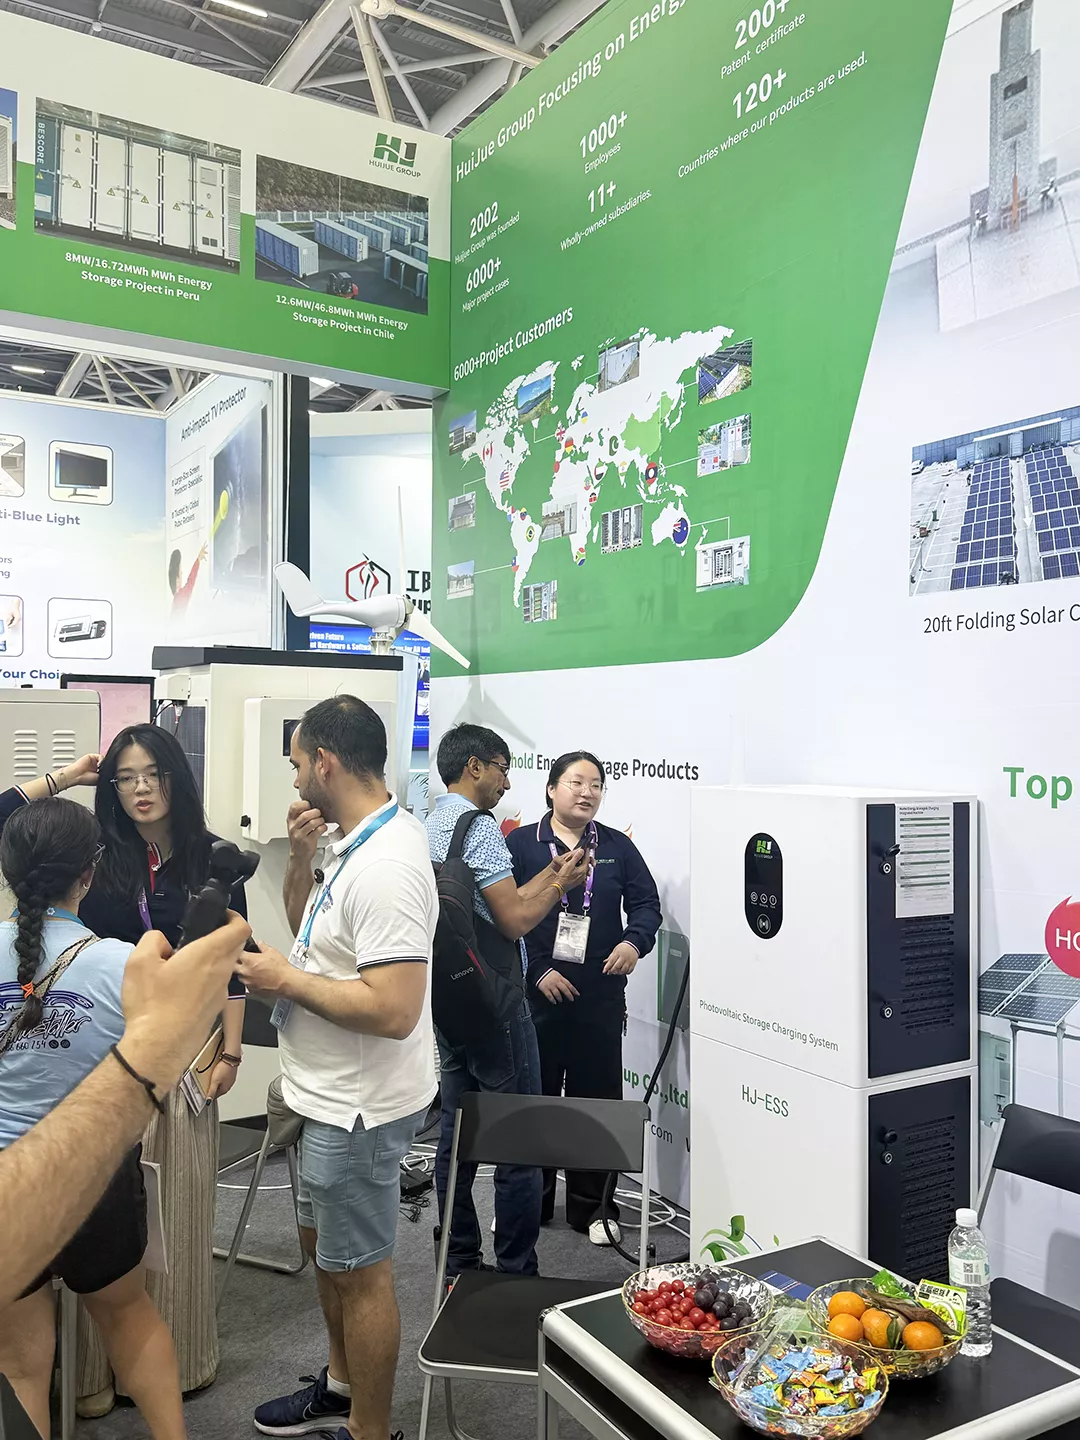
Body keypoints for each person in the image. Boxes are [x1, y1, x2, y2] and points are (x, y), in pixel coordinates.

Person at [0, 729, 249, 1406]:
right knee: (96, 1235)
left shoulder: (212, 856)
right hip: (102, 1064)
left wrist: (230, 1051)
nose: (141, 789)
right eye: (125, 777)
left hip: (186, 1060)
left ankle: (182, 1362)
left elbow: (230, 968)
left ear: (176, 779)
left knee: (173, 1224)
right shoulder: (92, 854)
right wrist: (61, 778)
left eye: (154, 774)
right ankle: (88, 1382)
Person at [239, 696, 437, 1440]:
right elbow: (310, 939)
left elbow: (393, 1008)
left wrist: (285, 982)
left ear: (324, 761)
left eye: (297, 764)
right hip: (322, 1092)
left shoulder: (387, 865)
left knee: (361, 1275)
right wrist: (298, 860)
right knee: (326, 1256)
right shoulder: (348, 841)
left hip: (358, 1107)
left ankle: (369, 1430)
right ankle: (341, 1389)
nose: (294, 780)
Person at [0, 798, 186, 1439]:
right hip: (97, 1178)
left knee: (19, 1364)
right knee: (128, 1317)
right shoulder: (125, 962)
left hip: (9, 1181)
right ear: (90, 871)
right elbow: (164, 1067)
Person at [0, 913, 252, 1313]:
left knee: (21, 1339)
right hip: (98, 1169)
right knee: (127, 1315)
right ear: (87, 880)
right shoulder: (125, 960)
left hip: (10, 1172)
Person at [424, 724, 590, 1278]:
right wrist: (561, 889)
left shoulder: (433, 823)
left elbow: (496, 903)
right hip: (497, 1006)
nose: (507, 781)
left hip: (453, 1002)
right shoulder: (481, 827)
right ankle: (517, 1268)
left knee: (456, 1136)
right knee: (518, 1139)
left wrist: (550, 875)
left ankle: (458, 1258)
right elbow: (515, 921)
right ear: (474, 766)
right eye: (501, 768)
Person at [506, 751, 661, 1246]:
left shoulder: (616, 846)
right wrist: (537, 970)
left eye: (596, 785)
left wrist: (633, 943)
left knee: (596, 1103)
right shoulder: (521, 844)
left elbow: (647, 905)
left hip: (599, 995)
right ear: (551, 789)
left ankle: (595, 1208)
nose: (587, 792)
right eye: (576, 782)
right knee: (537, 1102)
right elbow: (501, 916)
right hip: (539, 997)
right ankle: (528, 1204)